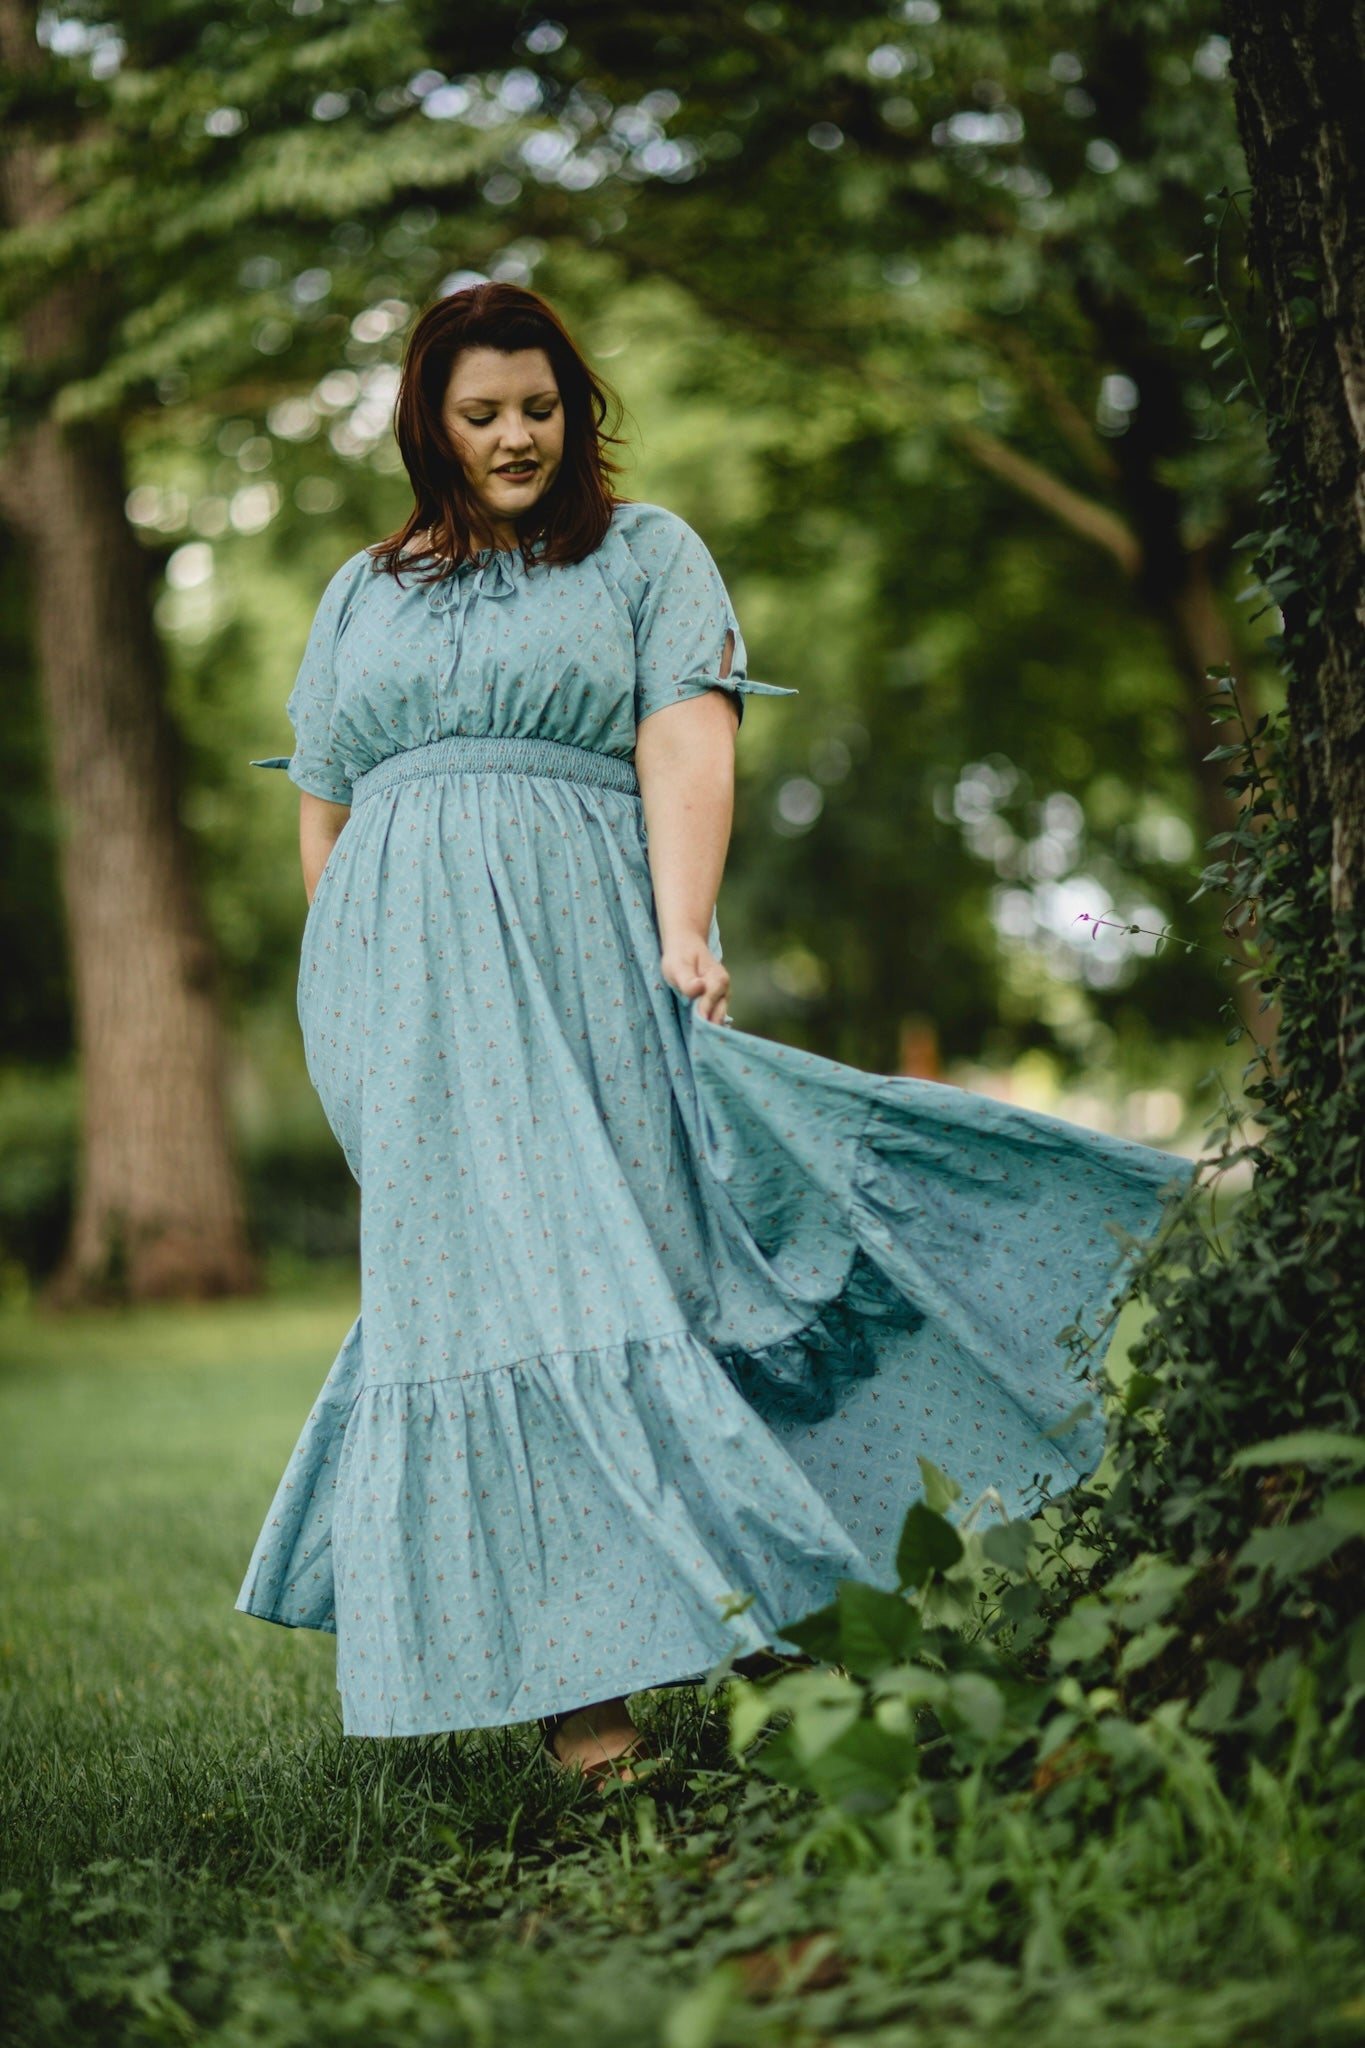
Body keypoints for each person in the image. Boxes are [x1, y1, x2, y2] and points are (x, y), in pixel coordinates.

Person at [237, 281, 1195, 1784]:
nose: (514, 438)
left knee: (657, 1261)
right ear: (427, 419)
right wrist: (344, 990)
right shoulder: (363, 588)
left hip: (583, 949)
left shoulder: (640, 553)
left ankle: (777, 1621)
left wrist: (683, 928)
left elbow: (687, 739)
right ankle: (586, 1704)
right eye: (480, 413)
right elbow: (330, 802)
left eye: (538, 409)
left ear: (576, 409)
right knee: (477, 1304)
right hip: (402, 997)